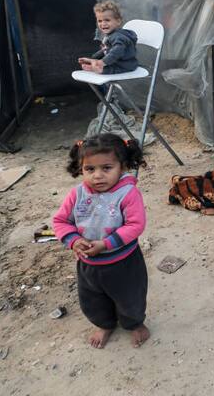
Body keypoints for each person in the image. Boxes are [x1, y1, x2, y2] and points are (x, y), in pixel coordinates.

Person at [52, 133, 150, 348]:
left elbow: (135, 225)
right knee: (92, 299)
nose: (98, 176)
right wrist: (73, 240)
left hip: (124, 263)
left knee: (130, 299)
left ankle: (134, 324)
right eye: (90, 169)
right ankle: (104, 324)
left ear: (122, 166)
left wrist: (106, 244)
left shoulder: (128, 193)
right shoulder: (76, 194)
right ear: (80, 168)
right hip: (88, 264)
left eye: (106, 168)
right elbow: (60, 221)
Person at [78, 0, 139, 75]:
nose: (103, 24)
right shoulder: (110, 34)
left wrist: (102, 62)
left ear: (118, 21)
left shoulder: (118, 36)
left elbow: (117, 51)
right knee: (104, 58)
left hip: (126, 64)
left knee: (110, 68)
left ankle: (99, 69)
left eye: (107, 20)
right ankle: (94, 63)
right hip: (116, 61)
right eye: (100, 21)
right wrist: (94, 58)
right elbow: (106, 50)